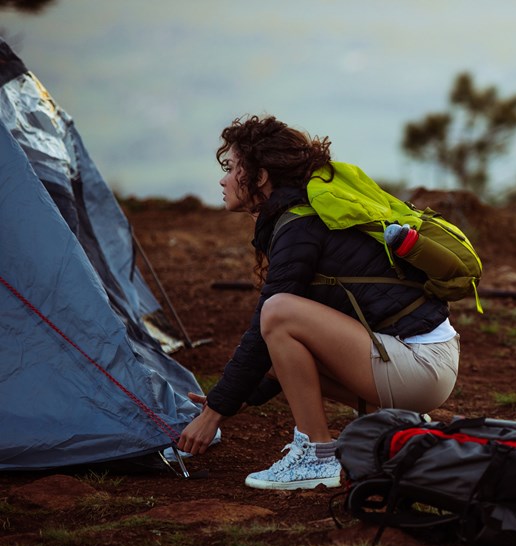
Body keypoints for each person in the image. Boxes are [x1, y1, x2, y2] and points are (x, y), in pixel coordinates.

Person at [176, 115, 460, 490]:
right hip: (425, 362)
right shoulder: (304, 216)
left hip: (419, 367)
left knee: (278, 313)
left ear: (260, 176)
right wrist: (233, 399)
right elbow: (281, 355)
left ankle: (315, 456)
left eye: (230, 168)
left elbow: (267, 326)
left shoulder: (299, 227)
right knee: (283, 338)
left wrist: (214, 413)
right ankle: (406, 424)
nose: (223, 179)